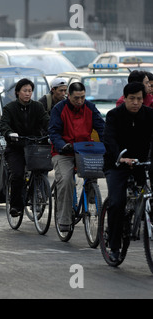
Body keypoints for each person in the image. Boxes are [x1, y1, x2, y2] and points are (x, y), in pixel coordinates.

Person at [103, 82, 153, 262]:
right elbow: (109, 139)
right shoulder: (114, 116)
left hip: (142, 163)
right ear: (125, 98)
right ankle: (114, 245)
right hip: (117, 165)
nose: (136, 102)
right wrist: (120, 157)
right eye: (132, 99)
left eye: (139, 99)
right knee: (117, 202)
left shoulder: (149, 115)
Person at [49, 82, 105, 232]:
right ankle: (64, 220)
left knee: (94, 170)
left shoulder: (90, 108)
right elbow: (54, 132)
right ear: (69, 96)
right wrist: (62, 145)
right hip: (63, 152)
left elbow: (102, 128)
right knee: (66, 180)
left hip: (85, 150)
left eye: (82, 97)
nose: (80, 101)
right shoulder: (59, 109)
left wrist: (109, 144)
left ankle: (92, 196)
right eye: (76, 98)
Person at [0, 78, 50, 217]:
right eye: (25, 91)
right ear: (17, 92)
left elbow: (46, 121)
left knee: (41, 170)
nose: (28, 94)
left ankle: (35, 195)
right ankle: (16, 206)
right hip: (15, 147)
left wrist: (53, 132)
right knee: (18, 175)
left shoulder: (38, 107)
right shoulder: (9, 108)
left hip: (34, 145)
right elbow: (3, 125)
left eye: (30, 91)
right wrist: (9, 133)